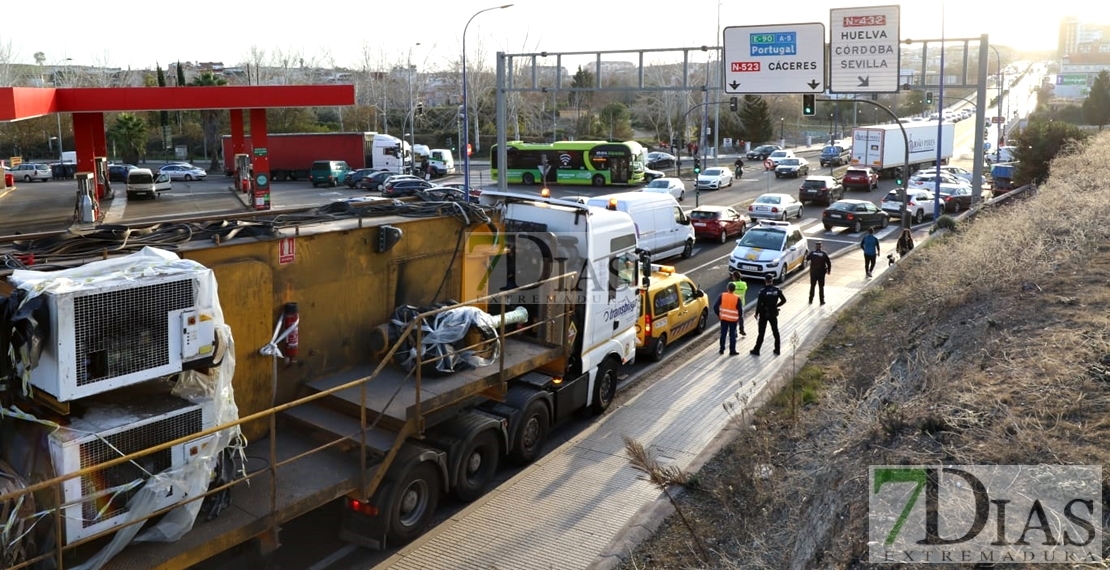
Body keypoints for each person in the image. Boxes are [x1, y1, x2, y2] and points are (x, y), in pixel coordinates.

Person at [751, 275, 786, 356]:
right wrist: (776, 306)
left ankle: (757, 350)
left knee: (761, 332)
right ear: (772, 281)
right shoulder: (777, 290)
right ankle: (777, 349)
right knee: (775, 331)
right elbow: (784, 300)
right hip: (773, 313)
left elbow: (759, 304)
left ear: (765, 280)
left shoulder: (762, 291)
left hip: (764, 313)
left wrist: (756, 313)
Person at [714, 282, 742, 356]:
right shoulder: (737, 298)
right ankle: (732, 350)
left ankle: (721, 349)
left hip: (723, 318)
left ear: (727, 288)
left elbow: (715, 306)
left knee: (723, 333)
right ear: (734, 289)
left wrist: (719, 314)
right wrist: (739, 317)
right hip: (733, 319)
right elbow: (740, 310)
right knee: (732, 334)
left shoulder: (722, 295)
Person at [728, 271, 748, 335]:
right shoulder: (744, 284)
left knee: (733, 318)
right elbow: (745, 289)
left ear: (734, 277)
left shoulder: (731, 284)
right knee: (741, 317)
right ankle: (741, 329)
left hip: (733, 303)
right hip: (741, 303)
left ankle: (734, 332)